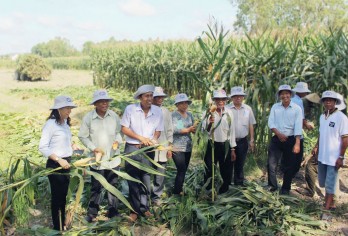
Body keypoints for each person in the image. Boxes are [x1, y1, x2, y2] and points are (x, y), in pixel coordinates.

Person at [78, 89, 122, 222]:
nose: (104, 104)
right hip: (98, 160)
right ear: (95, 104)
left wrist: (118, 141)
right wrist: (94, 148)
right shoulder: (88, 118)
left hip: (113, 158)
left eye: (106, 101)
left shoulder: (114, 116)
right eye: (101, 102)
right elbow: (82, 136)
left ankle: (113, 210)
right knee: (96, 186)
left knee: (113, 185)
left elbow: (119, 133)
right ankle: (92, 212)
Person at [121, 85, 163, 222]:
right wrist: (140, 138)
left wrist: (154, 139)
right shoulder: (130, 109)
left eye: (151, 96)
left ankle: (144, 208)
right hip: (132, 148)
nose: (150, 99)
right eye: (147, 96)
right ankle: (134, 210)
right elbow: (124, 129)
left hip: (148, 149)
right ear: (140, 97)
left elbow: (158, 130)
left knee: (146, 178)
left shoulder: (157, 111)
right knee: (133, 179)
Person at [39, 95, 77, 231]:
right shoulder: (50, 125)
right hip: (55, 165)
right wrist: (59, 159)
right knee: (57, 197)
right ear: (58, 109)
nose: (69, 111)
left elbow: (62, 142)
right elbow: (43, 147)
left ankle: (62, 223)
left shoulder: (65, 123)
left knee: (64, 195)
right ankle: (57, 227)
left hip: (66, 163)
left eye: (70, 108)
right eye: (67, 108)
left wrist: (72, 146)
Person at [312, 91, 348, 216]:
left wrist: (341, 156)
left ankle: (326, 210)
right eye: (326, 100)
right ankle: (331, 202)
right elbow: (321, 134)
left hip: (333, 157)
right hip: (322, 155)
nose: (328, 102)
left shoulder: (341, 118)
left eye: (331, 100)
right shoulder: (323, 116)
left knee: (330, 183)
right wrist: (316, 146)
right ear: (323, 102)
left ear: (335, 102)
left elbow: (345, 139)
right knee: (322, 182)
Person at [267, 85, 302, 195]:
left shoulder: (297, 108)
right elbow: (271, 122)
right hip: (277, 138)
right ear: (279, 95)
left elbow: (298, 126)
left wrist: (297, 143)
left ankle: (286, 188)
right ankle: (272, 186)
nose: (285, 95)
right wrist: (278, 133)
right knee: (271, 164)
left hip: (290, 139)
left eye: (287, 93)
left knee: (289, 165)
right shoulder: (275, 107)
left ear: (290, 95)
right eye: (282, 93)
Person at [203, 89, 236, 194]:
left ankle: (224, 190)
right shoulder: (208, 112)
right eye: (218, 99)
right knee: (209, 168)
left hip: (225, 144)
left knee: (226, 169)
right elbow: (204, 131)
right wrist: (209, 123)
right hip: (212, 144)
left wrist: (232, 148)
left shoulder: (229, 112)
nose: (220, 101)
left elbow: (232, 131)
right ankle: (208, 190)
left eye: (223, 99)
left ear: (226, 100)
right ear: (214, 100)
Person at [228, 86, 256, 186]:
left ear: (243, 97)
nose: (238, 98)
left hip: (242, 141)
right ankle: (227, 183)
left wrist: (252, 140)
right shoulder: (227, 109)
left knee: (240, 163)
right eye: (235, 96)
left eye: (240, 96)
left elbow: (251, 124)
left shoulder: (248, 109)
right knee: (229, 163)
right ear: (232, 97)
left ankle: (239, 184)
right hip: (229, 141)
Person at [151, 87, 173, 205]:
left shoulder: (166, 111)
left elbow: (170, 129)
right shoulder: (148, 110)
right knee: (147, 172)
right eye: (157, 97)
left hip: (163, 146)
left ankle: (156, 197)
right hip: (150, 146)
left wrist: (169, 146)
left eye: (161, 97)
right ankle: (144, 196)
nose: (160, 99)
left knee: (160, 172)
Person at [172, 93, 195, 195]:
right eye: (181, 103)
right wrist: (188, 129)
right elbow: (175, 129)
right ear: (177, 105)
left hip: (188, 146)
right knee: (181, 169)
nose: (184, 105)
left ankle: (180, 188)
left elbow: (193, 127)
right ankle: (177, 191)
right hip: (177, 147)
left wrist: (195, 130)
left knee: (184, 169)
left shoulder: (190, 115)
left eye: (185, 103)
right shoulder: (174, 115)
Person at [291, 82, 314, 177]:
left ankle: (288, 170)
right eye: (305, 91)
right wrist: (307, 125)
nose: (306, 94)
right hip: (295, 131)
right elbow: (300, 117)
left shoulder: (291, 99)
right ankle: (293, 172)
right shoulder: (298, 101)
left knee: (290, 151)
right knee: (298, 153)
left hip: (289, 130)